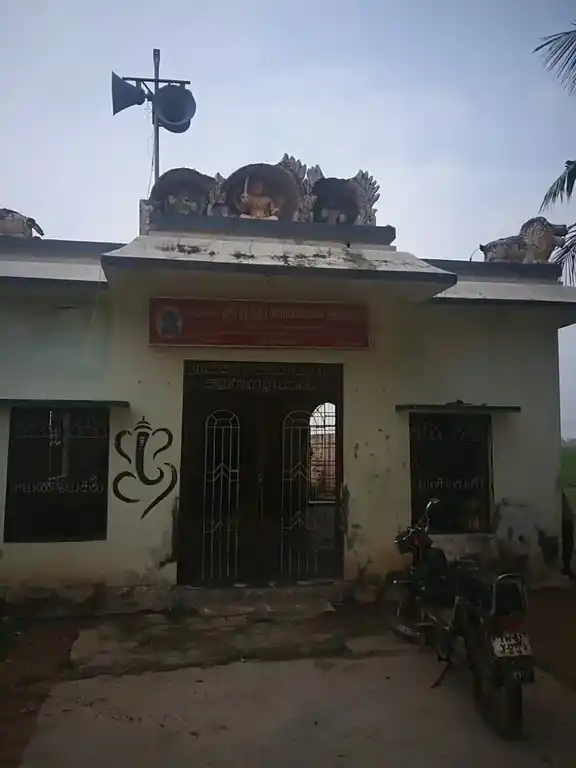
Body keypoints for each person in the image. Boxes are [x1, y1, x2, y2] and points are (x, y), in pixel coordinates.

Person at [561, 489, 575, 578]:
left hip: (568, 523)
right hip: (567, 523)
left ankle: (567, 567)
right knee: (568, 545)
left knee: (569, 546)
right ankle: (566, 568)